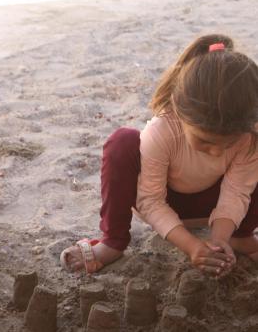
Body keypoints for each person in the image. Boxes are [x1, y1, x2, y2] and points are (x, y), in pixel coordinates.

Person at [61, 34, 258, 277]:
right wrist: (192, 246)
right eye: (206, 141)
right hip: (164, 202)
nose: (217, 152)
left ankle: (241, 237)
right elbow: (151, 200)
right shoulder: (163, 129)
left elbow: (236, 192)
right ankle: (113, 241)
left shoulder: (249, 135)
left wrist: (218, 240)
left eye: (228, 143)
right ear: (182, 113)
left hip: (215, 206)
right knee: (122, 142)